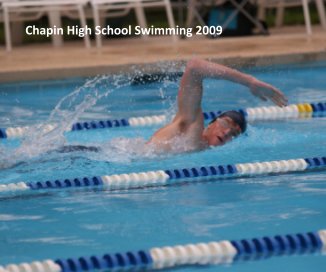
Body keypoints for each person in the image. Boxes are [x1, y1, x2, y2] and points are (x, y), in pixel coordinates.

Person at [147, 58, 288, 153]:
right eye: (226, 124)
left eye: (234, 134)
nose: (227, 133)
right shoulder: (191, 126)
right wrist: (249, 81)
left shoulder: (200, 149)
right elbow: (194, 67)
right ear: (210, 124)